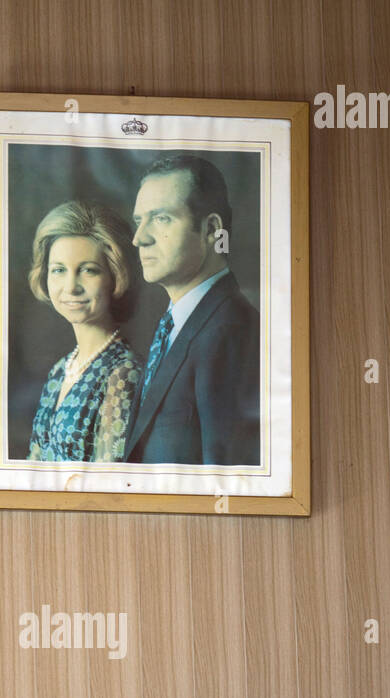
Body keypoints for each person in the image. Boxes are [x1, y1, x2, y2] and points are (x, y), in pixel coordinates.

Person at [124, 154, 260, 466]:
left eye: (161, 219)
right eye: (139, 220)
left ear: (212, 229)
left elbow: (226, 479)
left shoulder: (232, 330)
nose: (139, 238)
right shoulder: (180, 323)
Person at [27, 202, 142, 464]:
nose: (71, 287)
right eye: (58, 270)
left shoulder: (124, 373)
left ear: (115, 275)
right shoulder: (60, 370)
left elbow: (107, 481)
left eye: (88, 270)